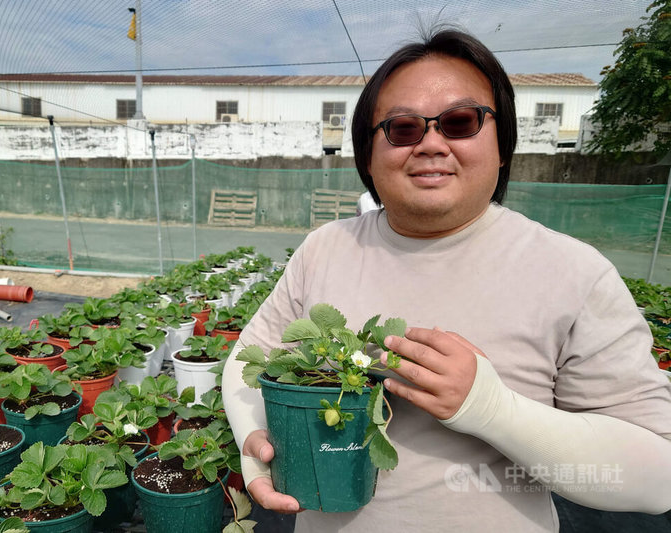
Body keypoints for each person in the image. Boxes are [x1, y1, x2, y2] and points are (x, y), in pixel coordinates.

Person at [222, 26, 671, 532]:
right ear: (367, 156)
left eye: (461, 122)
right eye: (403, 128)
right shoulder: (325, 248)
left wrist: (493, 410)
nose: (432, 143)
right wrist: (253, 442)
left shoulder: (575, 272)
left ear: (503, 147)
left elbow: (658, 477)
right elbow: (250, 356)